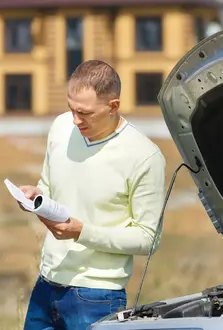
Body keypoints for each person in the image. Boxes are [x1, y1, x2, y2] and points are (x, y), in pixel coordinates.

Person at [20, 60, 166, 330]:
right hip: (46, 284)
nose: (75, 120)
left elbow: (148, 239)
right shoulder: (61, 127)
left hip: (97, 295)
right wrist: (36, 196)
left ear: (113, 106)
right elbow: (49, 185)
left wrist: (81, 231)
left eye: (84, 113)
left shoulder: (145, 156)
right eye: (71, 109)